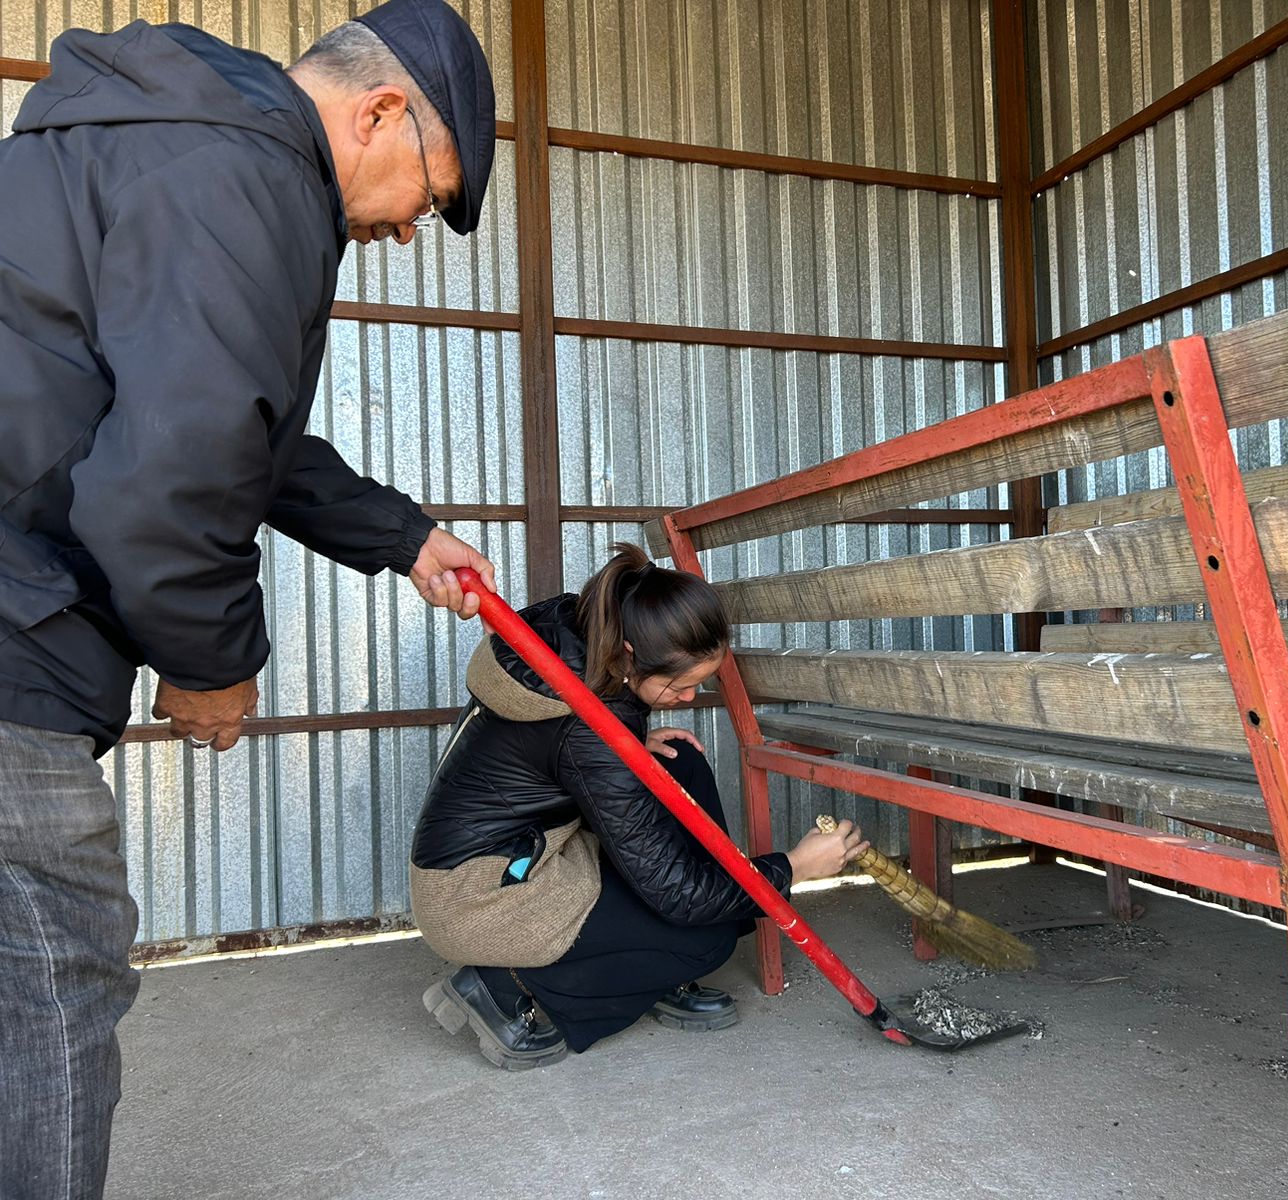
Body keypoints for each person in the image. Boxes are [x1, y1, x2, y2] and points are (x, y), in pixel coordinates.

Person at [0, 2, 503, 1195]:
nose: (406, 232)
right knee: (51, 992)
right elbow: (179, 465)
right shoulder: (255, 178)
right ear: (381, 112)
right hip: (14, 634)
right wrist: (212, 661)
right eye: (429, 195)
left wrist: (405, 534)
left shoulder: (144, 132)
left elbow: (228, 425)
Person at [411, 544, 868, 1069]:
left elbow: (559, 750)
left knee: (682, 767)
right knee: (706, 939)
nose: (692, 698)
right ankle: (502, 984)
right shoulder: (586, 725)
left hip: (526, 848)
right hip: (482, 897)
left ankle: (650, 962)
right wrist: (794, 867)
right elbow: (680, 895)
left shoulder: (580, 644)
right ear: (630, 652)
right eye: (682, 684)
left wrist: (623, 749)